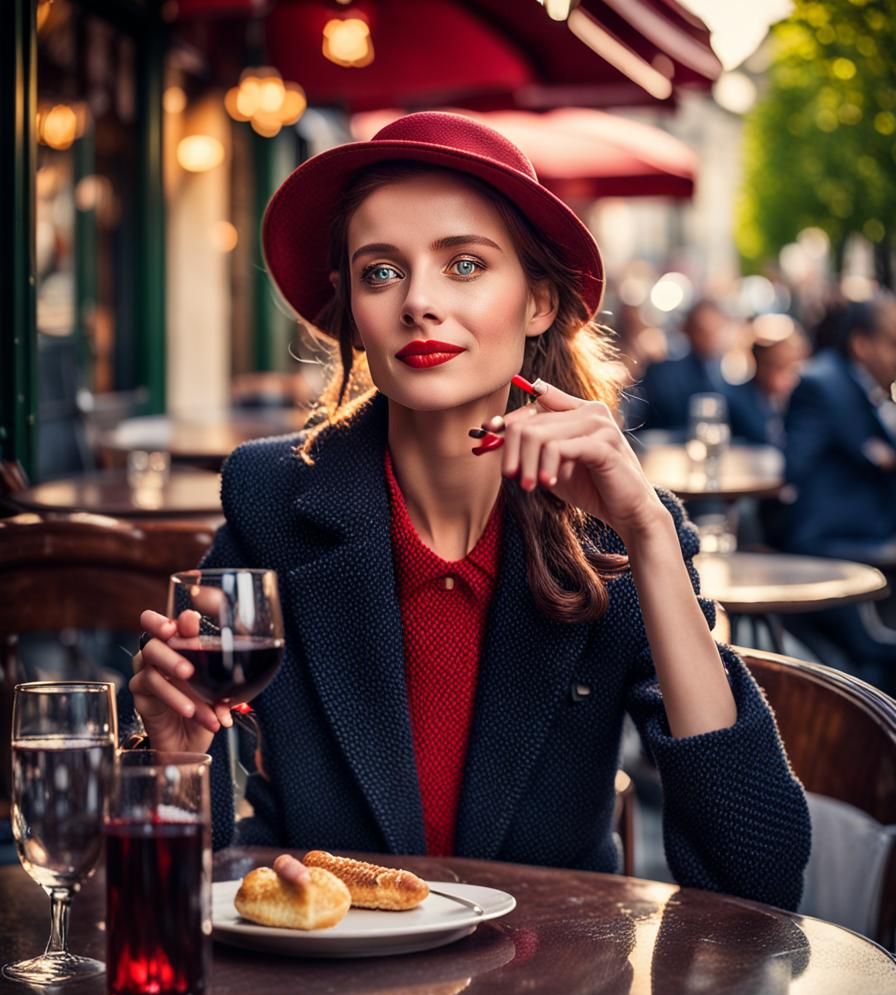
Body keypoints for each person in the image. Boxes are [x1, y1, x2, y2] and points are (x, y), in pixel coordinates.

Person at [130, 112, 810, 910]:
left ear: (539, 304)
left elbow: (758, 878)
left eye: (463, 264)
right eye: (381, 272)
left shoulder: (613, 531)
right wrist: (171, 756)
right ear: (351, 310)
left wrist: (653, 538)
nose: (419, 301)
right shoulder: (271, 498)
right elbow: (173, 889)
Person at [775, 295, 896, 691]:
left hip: (869, 536)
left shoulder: (866, 386)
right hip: (838, 543)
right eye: (893, 343)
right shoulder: (823, 383)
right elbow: (795, 466)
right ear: (862, 344)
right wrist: (870, 454)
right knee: (876, 656)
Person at [625, 298, 730, 438]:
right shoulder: (664, 373)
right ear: (688, 330)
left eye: (715, 330)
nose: (710, 337)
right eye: (703, 330)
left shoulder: (724, 372)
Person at [725, 315, 808, 450]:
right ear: (759, 362)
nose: (789, 377)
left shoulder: (799, 401)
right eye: (779, 367)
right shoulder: (735, 401)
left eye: (793, 368)